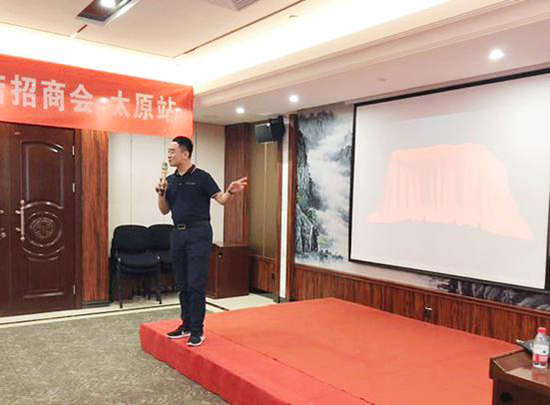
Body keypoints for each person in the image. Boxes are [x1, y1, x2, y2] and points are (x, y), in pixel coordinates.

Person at [156, 136, 247, 346]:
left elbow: (221, 200)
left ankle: (197, 330)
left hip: (198, 233)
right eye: (168, 152)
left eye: (172, 151)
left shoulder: (202, 177)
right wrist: (161, 193)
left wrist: (230, 191)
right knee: (182, 283)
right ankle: (186, 325)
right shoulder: (170, 180)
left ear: (185, 153)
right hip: (177, 234)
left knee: (196, 283)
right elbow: (164, 210)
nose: (169, 155)